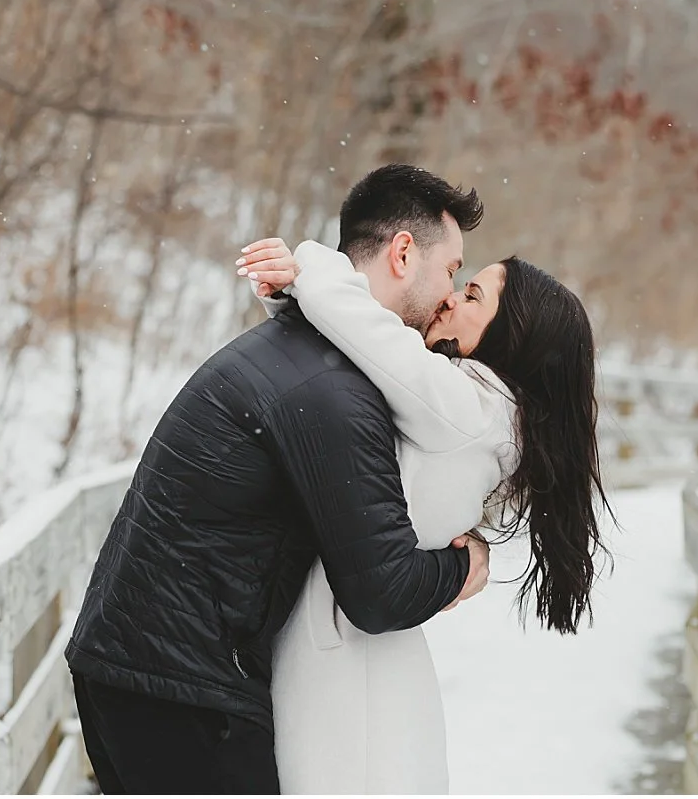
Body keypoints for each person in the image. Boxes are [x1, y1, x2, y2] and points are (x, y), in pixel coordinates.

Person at [64, 166, 490, 794]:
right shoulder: (336, 391)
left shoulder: (300, 347)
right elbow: (380, 592)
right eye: (451, 269)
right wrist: (466, 567)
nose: (451, 294)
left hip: (139, 669)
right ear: (404, 253)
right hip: (181, 692)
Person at [236, 220, 608, 791]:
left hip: (345, 667)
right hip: (364, 654)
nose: (451, 297)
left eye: (473, 295)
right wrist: (293, 301)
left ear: (513, 335)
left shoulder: (467, 407)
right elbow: (350, 370)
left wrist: (311, 266)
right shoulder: (480, 414)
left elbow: (374, 339)